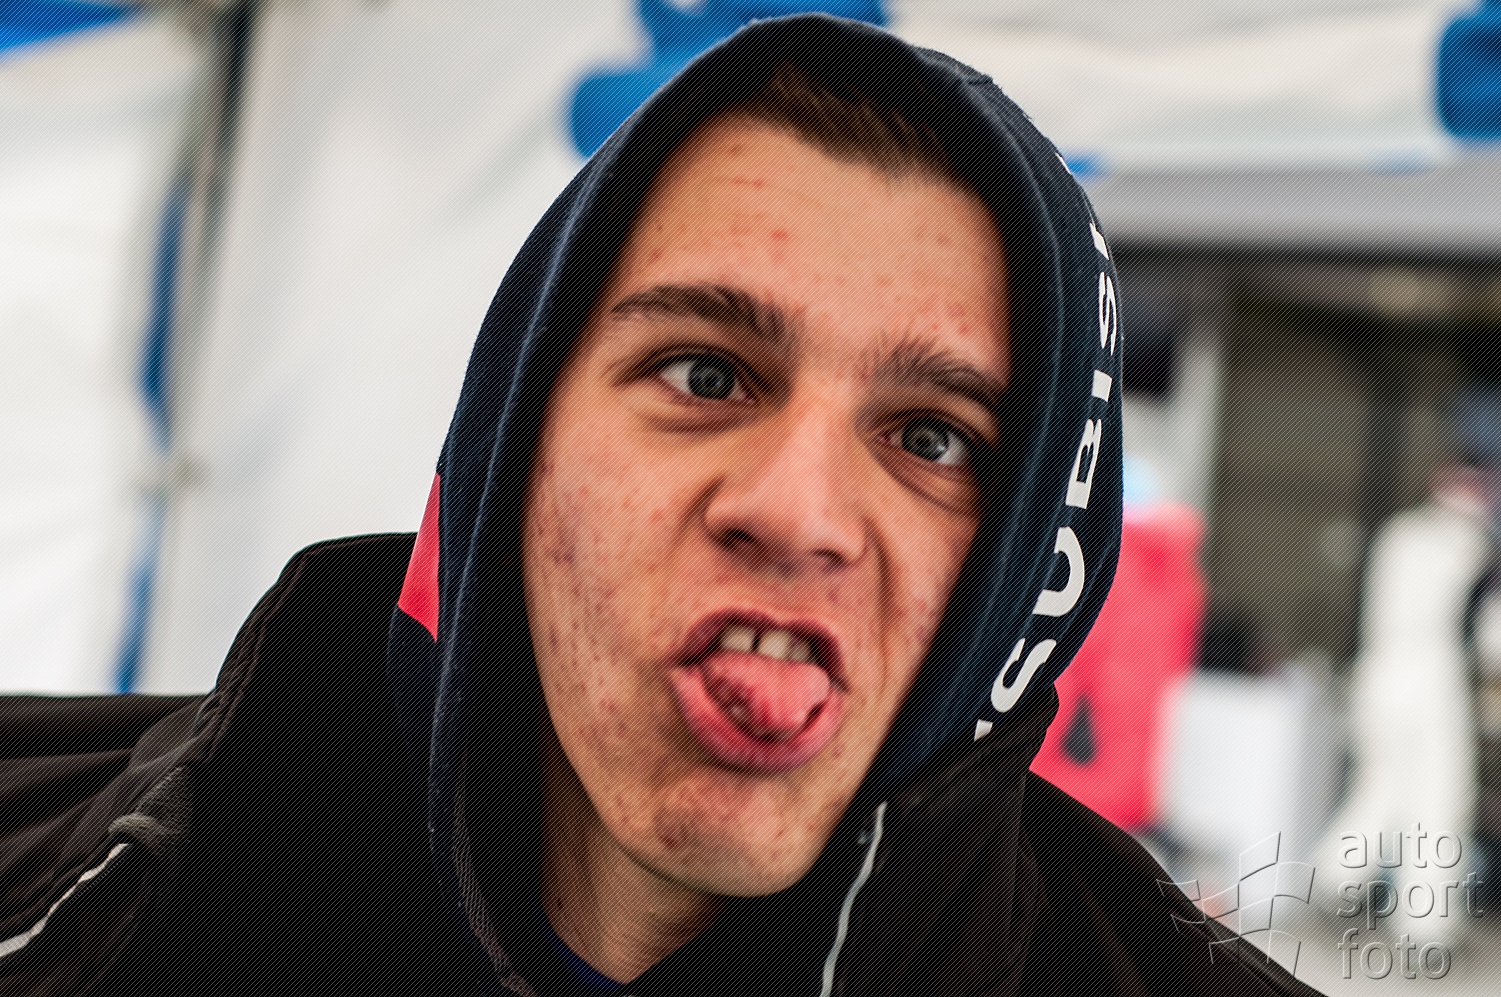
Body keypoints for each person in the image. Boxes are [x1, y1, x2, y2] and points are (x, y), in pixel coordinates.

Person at [0, 15, 1319, 996]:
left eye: (931, 438)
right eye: (705, 374)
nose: (794, 510)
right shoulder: (61, 885)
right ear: (515, 443)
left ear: (1035, 560)